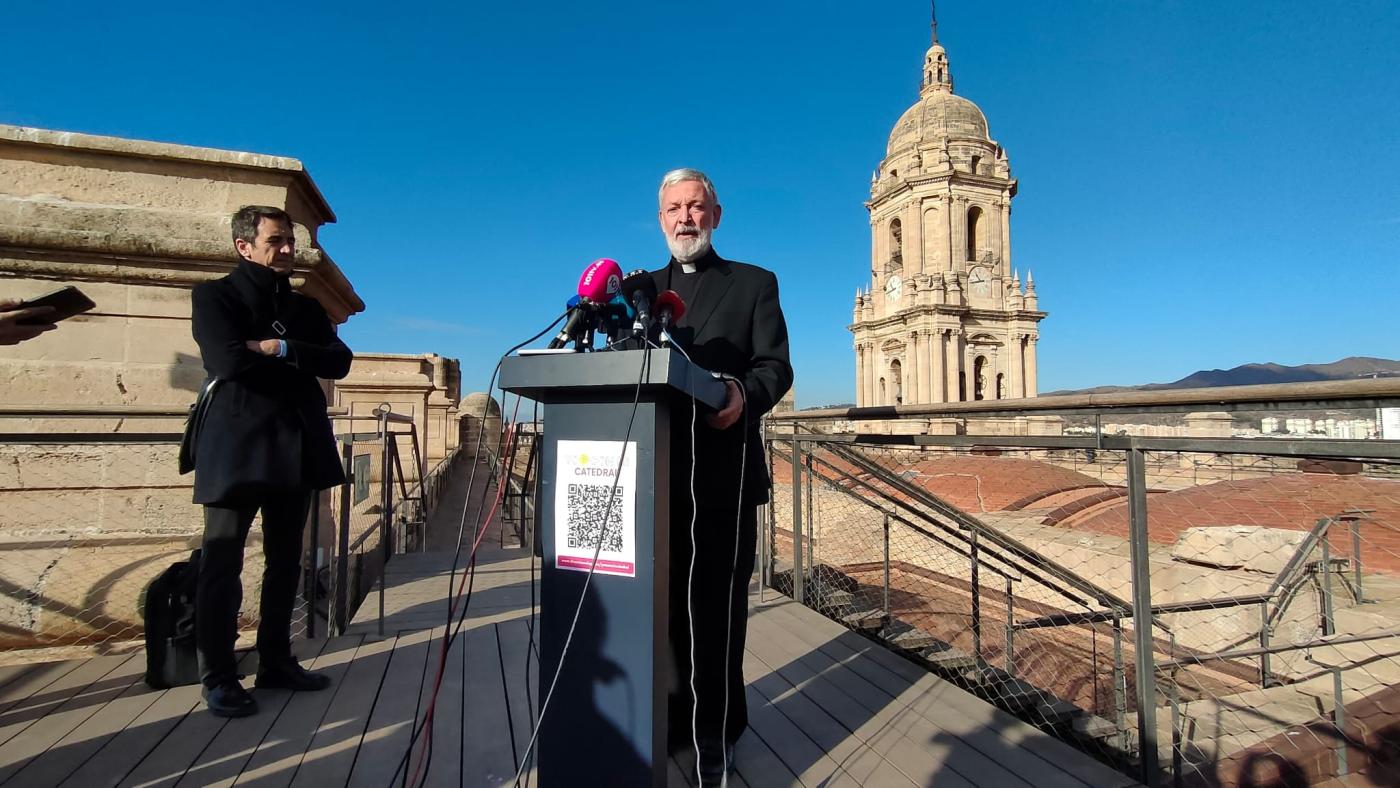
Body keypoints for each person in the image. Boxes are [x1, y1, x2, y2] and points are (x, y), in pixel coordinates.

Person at [648, 168, 792, 783]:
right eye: (674, 209)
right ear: (661, 221)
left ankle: (720, 726)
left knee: (716, 605)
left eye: (696, 207)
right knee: (660, 603)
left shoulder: (754, 284)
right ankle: (672, 715)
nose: (686, 218)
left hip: (723, 474)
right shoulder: (639, 291)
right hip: (653, 480)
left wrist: (740, 389)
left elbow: (775, 368)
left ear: (716, 214)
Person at [189, 205, 352, 717]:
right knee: (223, 563)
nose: (287, 249)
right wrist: (298, 360)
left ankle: (276, 658)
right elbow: (228, 361)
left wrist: (278, 348)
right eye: (276, 241)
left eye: (290, 241)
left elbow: (340, 362)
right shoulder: (215, 296)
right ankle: (217, 674)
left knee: (285, 562)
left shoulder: (302, 308)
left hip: (296, 446)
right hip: (237, 448)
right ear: (245, 246)